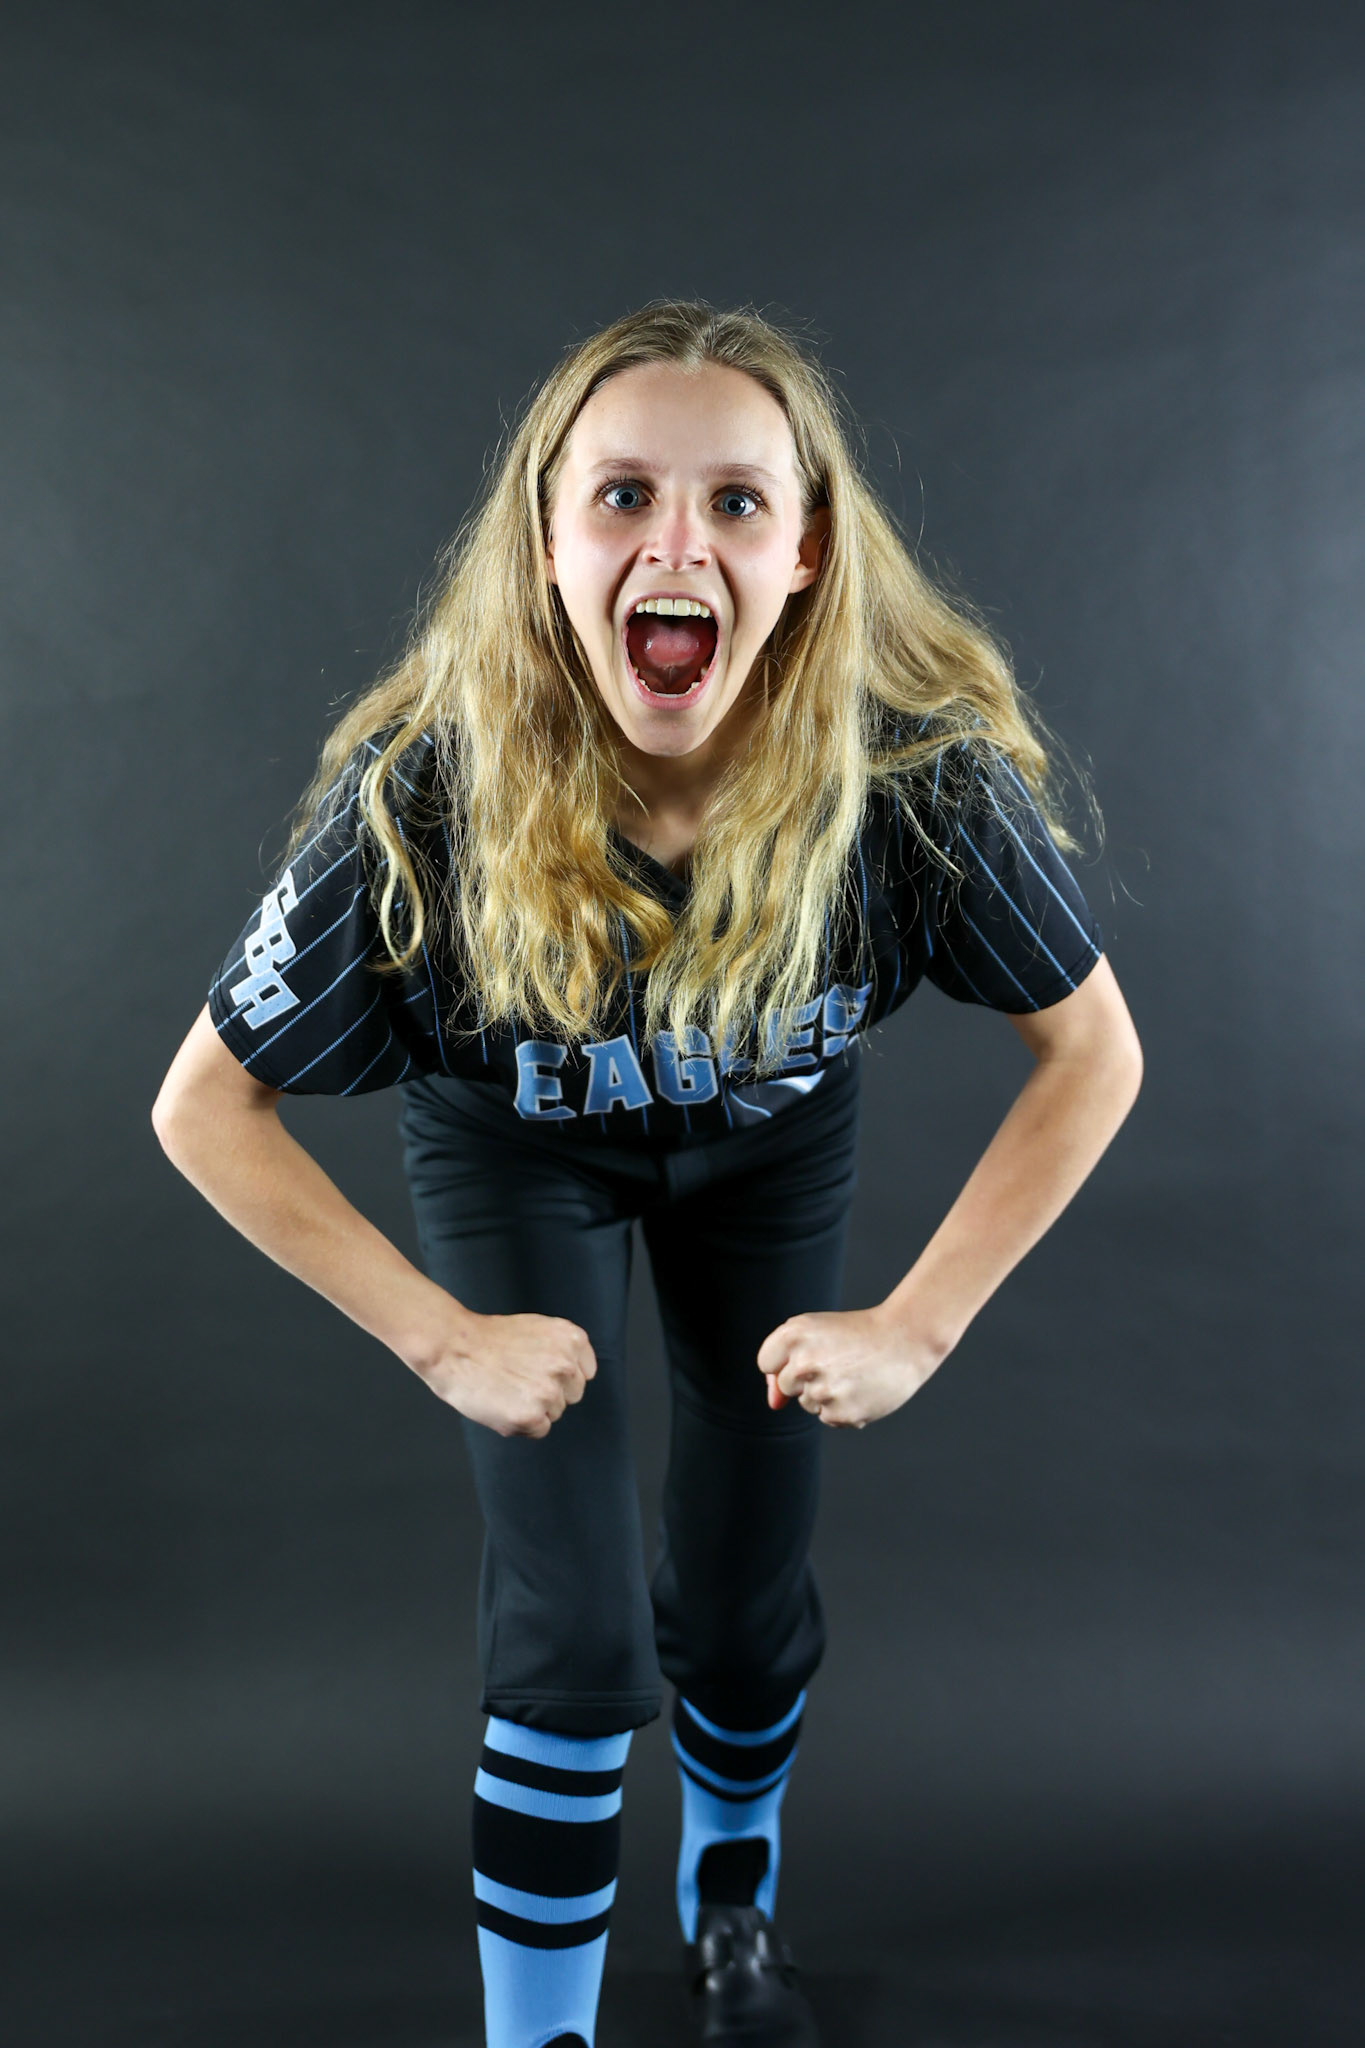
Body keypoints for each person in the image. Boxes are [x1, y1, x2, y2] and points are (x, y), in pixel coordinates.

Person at [152, 298, 1143, 2048]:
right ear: (545, 539)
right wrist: (441, 1334)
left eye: (735, 504)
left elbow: (1093, 1053)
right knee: (578, 1635)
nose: (674, 542)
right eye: (620, 496)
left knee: (746, 1595)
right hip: (512, 1153)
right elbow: (203, 1107)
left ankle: (730, 1893)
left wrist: (919, 1323)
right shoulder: (426, 792)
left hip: (770, 1156)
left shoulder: (905, 779)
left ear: (806, 554)